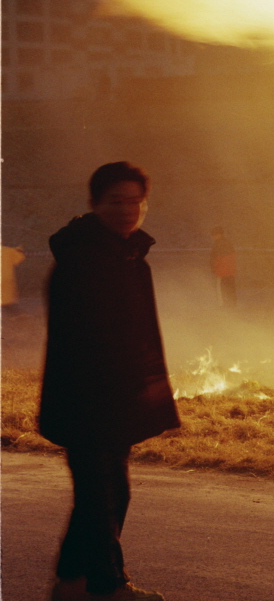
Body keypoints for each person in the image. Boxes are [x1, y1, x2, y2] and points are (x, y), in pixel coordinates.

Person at [38, 162, 179, 601]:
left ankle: (72, 582)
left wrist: (154, 386)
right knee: (104, 497)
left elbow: (144, 334)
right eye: (115, 201)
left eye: (135, 200)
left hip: (117, 400)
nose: (126, 210)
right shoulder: (83, 260)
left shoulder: (130, 256)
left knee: (103, 495)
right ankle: (107, 587)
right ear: (94, 204)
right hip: (88, 401)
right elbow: (86, 341)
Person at [210, 226, 237, 308]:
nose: (213, 237)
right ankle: (232, 305)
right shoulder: (228, 243)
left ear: (217, 235)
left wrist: (213, 268)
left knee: (221, 289)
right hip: (231, 271)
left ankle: (223, 305)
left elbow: (215, 258)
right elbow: (233, 257)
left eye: (214, 235)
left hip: (221, 271)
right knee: (231, 288)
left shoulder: (217, 244)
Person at [2, 244, 26, 310]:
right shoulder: (8, 250)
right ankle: (19, 315)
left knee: (5, 301)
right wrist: (20, 250)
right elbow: (18, 259)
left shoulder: (7, 250)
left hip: (4, 278)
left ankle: (19, 315)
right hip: (6, 277)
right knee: (6, 301)